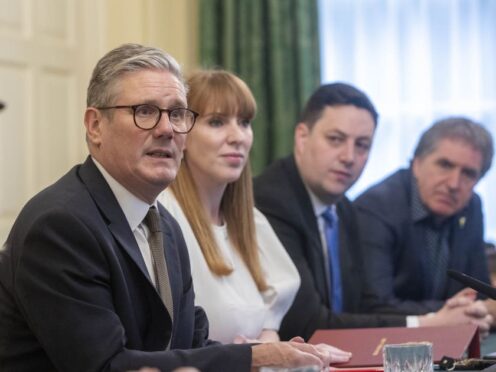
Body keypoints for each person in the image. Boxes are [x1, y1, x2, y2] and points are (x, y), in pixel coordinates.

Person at [0, 44, 340, 372]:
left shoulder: (164, 225)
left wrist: (275, 355)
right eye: (144, 111)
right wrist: (257, 359)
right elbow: (106, 365)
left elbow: (191, 347)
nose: (167, 130)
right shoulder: (61, 225)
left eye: (177, 114)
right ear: (95, 125)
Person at [253, 83, 492, 341]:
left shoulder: (341, 208)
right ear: (302, 137)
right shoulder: (274, 201)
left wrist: (470, 312)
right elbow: (310, 324)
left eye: (362, 145)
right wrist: (431, 321)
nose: (348, 156)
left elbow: (355, 306)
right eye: (335, 139)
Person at [157, 69, 351, 364]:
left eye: (244, 123)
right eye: (217, 122)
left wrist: (278, 350)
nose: (237, 137)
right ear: (182, 131)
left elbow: (268, 327)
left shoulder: (253, 222)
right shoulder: (162, 218)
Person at [354, 117, 495, 316]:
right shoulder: (375, 208)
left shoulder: (471, 206)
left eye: (468, 174)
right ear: (417, 164)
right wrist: (456, 313)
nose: (454, 184)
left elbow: (480, 292)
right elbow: (375, 307)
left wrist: (479, 308)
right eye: (445, 165)